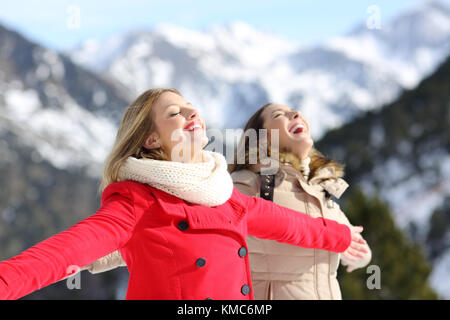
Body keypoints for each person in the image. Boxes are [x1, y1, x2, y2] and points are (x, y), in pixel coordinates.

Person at [0, 89, 365, 300]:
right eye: (175, 112)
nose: (193, 112)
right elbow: (63, 253)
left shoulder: (223, 194)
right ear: (152, 140)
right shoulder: (136, 202)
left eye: (191, 106)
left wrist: (343, 236)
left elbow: (289, 226)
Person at [228, 103, 372, 300]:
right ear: (263, 138)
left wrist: (362, 256)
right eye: (280, 114)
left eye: (294, 111)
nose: (297, 113)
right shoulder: (249, 183)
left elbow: (353, 243)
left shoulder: (320, 188)